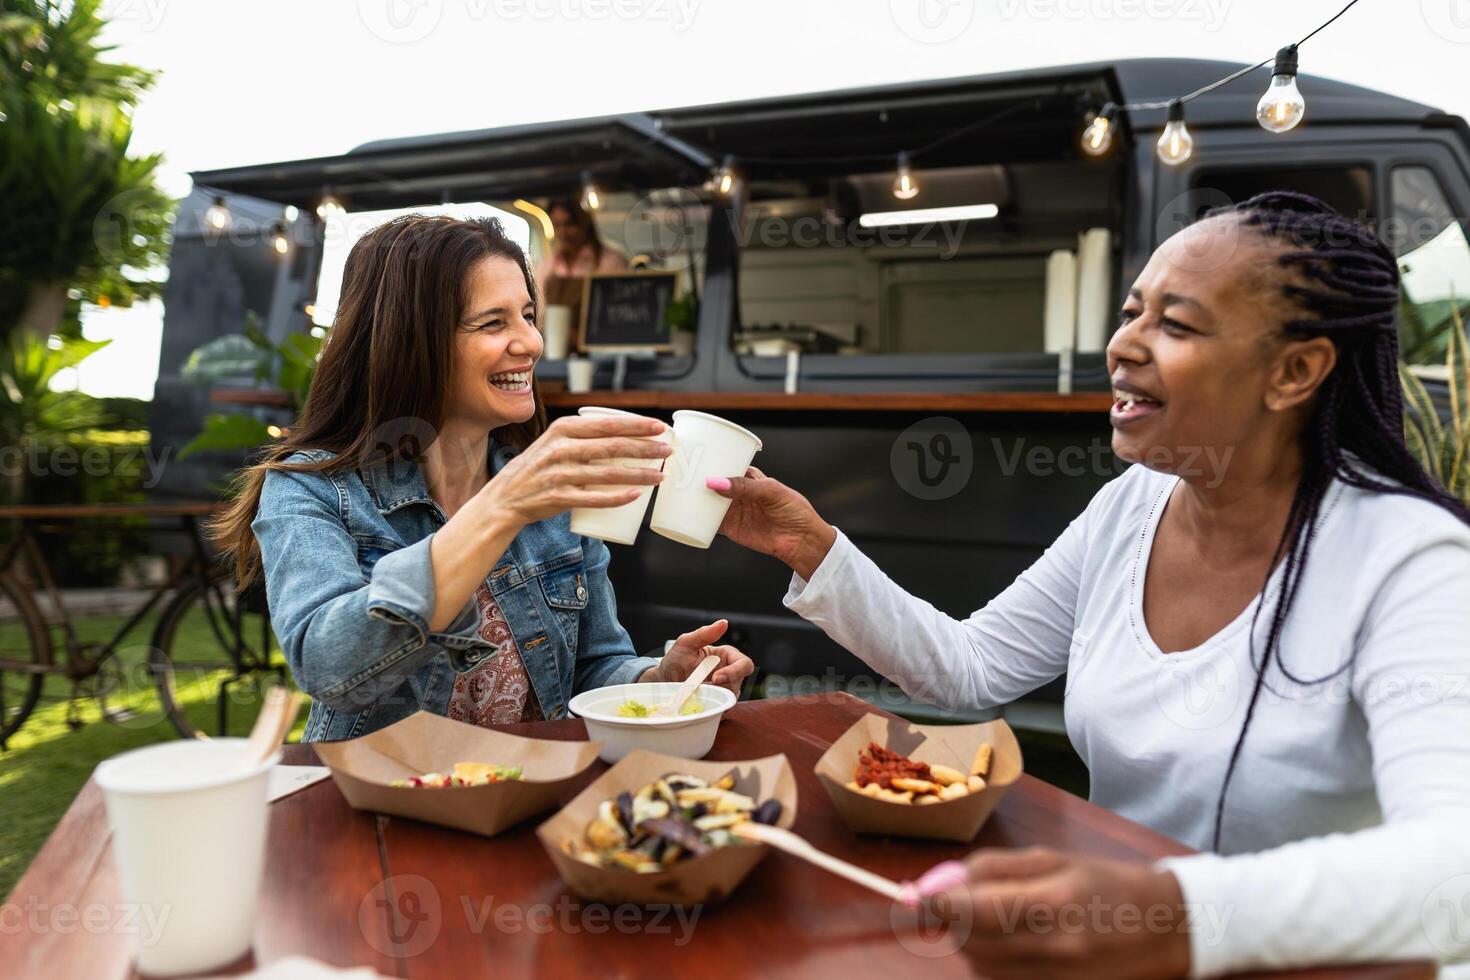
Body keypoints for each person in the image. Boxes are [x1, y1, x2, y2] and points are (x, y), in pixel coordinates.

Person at [705, 192, 1470, 977]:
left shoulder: (1410, 560)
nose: (1124, 346)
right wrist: (809, 545)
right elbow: (968, 668)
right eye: (1132, 311)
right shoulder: (1130, 507)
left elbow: (1455, 869)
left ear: (1296, 370)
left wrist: (1168, 918)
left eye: (1175, 325)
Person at [212, 215, 751, 741]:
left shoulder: (551, 494)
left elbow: (593, 667)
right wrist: (503, 507)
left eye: (528, 315)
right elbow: (328, 670)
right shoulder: (312, 489)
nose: (532, 343)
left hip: (523, 801)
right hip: (384, 810)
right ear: (408, 342)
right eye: (493, 323)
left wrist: (659, 681)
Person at [536, 197, 629, 281]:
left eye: (569, 224)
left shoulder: (613, 262)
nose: (563, 233)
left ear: (585, 222)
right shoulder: (548, 266)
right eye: (557, 225)